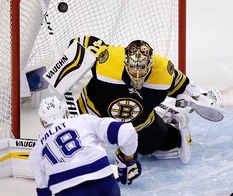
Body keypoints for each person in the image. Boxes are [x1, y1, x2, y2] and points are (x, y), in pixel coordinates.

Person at [56, 35, 222, 164]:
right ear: (125, 60)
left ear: (150, 63)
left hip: (137, 122)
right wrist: (68, 63)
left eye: (142, 69)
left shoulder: (163, 70)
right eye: (132, 68)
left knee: (161, 145)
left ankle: (170, 124)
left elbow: (185, 87)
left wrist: (200, 96)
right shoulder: (107, 59)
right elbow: (81, 42)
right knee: (71, 146)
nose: (137, 75)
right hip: (92, 113)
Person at [29, 96, 142, 196]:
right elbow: (127, 133)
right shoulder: (84, 120)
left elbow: (44, 194)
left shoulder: (36, 151)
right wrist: (128, 161)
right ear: (66, 112)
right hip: (106, 189)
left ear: (42, 122)